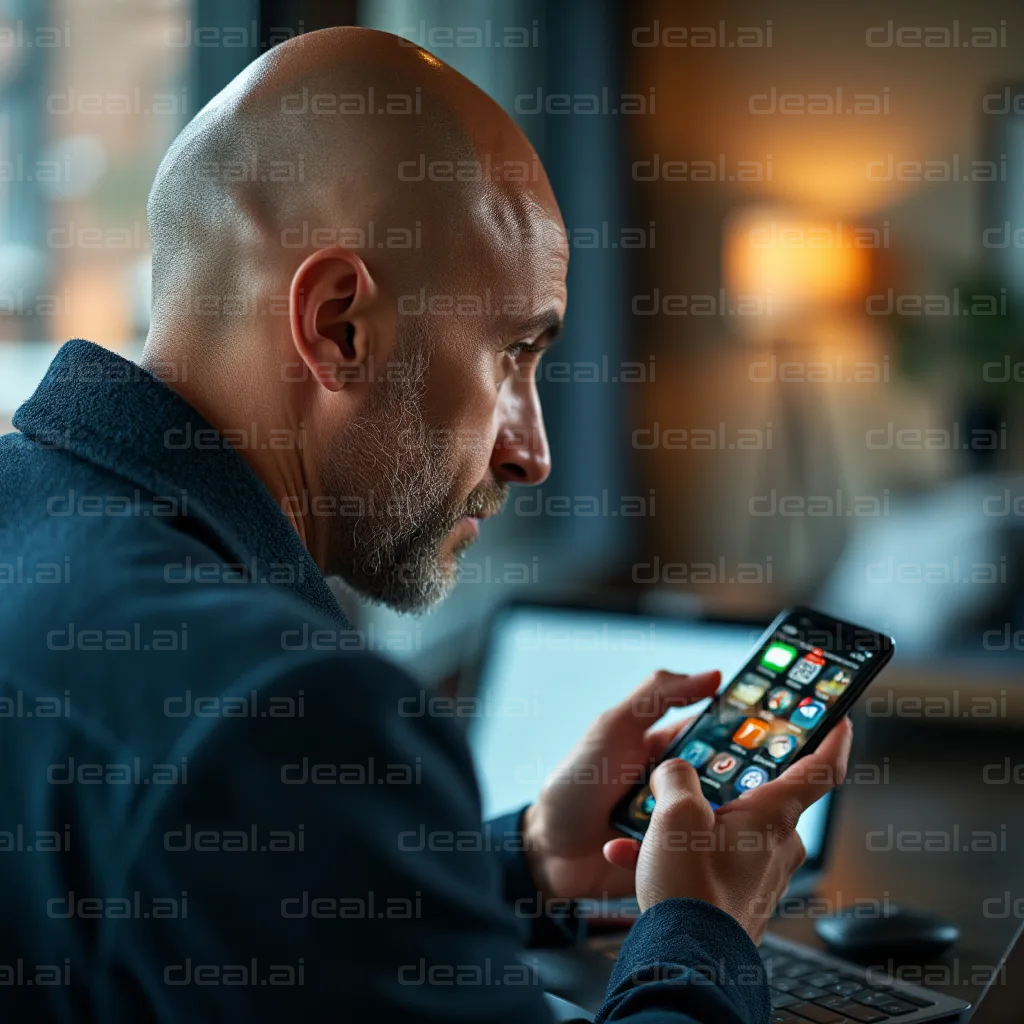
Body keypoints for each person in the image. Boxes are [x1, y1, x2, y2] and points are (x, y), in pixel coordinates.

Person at [0, 26, 851, 1022]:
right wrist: (702, 929)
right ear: (336, 327)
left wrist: (523, 858)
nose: (531, 452)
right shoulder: (287, 714)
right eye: (514, 353)